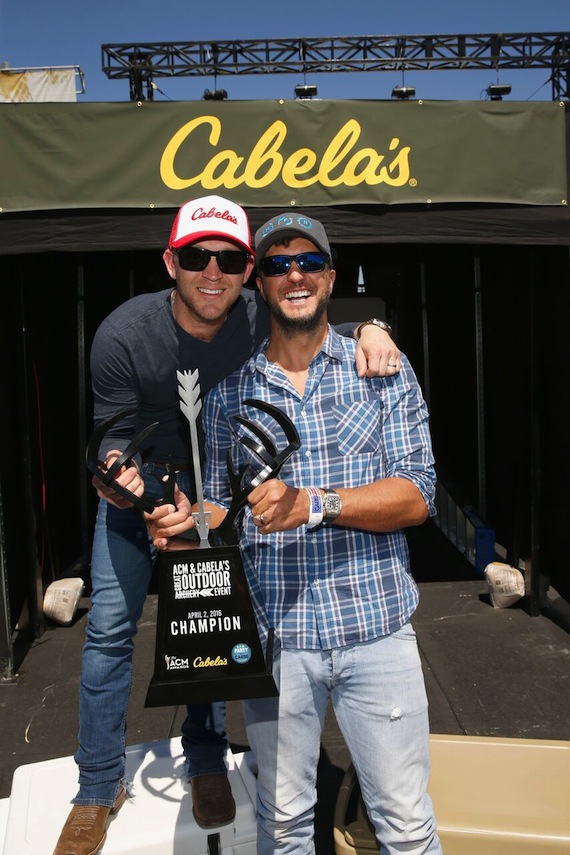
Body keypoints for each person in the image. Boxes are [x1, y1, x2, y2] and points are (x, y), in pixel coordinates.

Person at [53, 195, 400, 855]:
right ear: (170, 261)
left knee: (213, 624)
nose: (212, 270)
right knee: (108, 633)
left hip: (223, 494)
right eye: (195, 255)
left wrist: (376, 327)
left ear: (248, 268)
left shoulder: (260, 313)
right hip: (141, 492)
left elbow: (330, 318)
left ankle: (207, 756)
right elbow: (112, 437)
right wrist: (132, 488)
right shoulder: (123, 334)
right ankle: (97, 787)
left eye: (230, 257)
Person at [147, 211, 443, 854]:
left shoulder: (383, 370)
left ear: (331, 277)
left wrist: (313, 503)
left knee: (406, 826)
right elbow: (221, 516)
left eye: (309, 262)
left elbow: (419, 496)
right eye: (278, 265)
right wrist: (181, 525)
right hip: (280, 643)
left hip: (377, 633)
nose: (295, 275)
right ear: (261, 283)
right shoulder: (228, 396)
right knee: (283, 827)